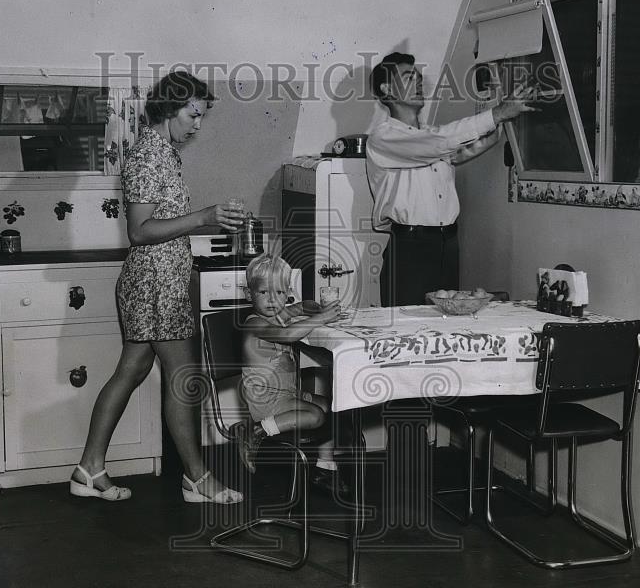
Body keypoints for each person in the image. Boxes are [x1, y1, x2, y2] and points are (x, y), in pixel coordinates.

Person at [70, 71, 245, 504]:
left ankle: (89, 470)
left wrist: (203, 224)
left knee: (130, 372)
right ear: (169, 108)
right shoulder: (151, 155)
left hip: (155, 280)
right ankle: (198, 478)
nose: (197, 124)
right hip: (155, 284)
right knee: (184, 377)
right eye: (192, 114)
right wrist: (204, 217)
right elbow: (140, 230)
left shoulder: (162, 152)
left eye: (201, 116)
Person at [366, 52, 537, 306]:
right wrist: (497, 114)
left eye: (418, 77)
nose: (419, 82)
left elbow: (468, 146)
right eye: (408, 76)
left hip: (448, 244)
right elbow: (437, 144)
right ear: (387, 89)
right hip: (411, 249)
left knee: (445, 327)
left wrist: (501, 112)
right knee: (408, 333)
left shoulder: (433, 135)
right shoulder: (383, 138)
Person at [232, 253, 347, 495]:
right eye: (264, 293)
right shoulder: (255, 323)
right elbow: (286, 336)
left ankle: (324, 467)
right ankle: (256, 431)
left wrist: (314, 307)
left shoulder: (277, 315)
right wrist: (321, 318)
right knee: (316, 416)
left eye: (280, 293)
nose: (273, 300)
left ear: (287, 293)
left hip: (286, 393)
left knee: (334, 407)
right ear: (248, 295)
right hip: (266, 400)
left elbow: (300, 306)